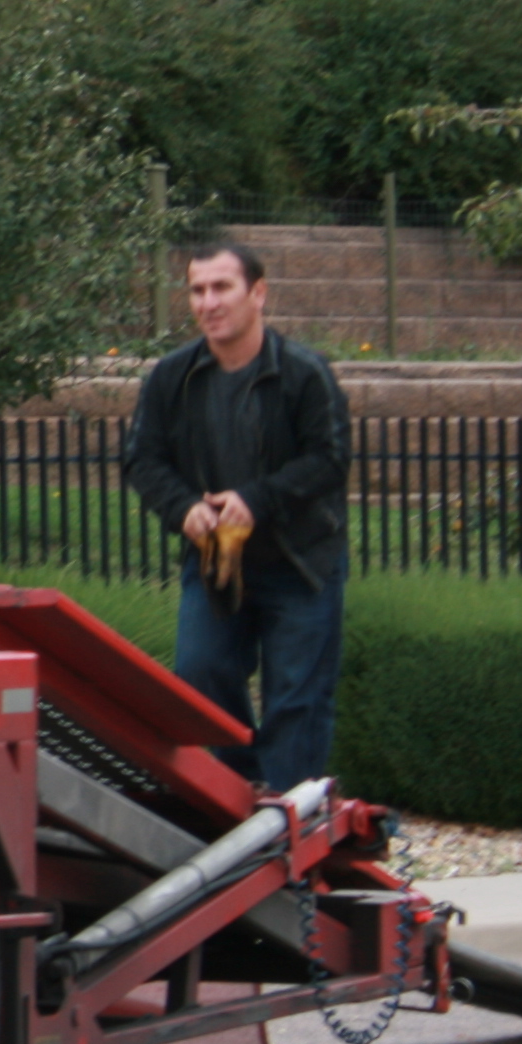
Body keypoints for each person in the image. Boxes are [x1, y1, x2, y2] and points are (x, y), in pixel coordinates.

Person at [120, 240, 351, 792]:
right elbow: (141, 458)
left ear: (259, 294)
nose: (208, 302)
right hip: (217, 562)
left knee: (296, 699)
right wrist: (183, 509)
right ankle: (235, 805)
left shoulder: (303, 373)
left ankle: (286, 825)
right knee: (200, 678)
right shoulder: (171, 377)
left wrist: (257, 499)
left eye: (222, 287)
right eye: (197, 290)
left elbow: (331, 456)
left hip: (300, 566)